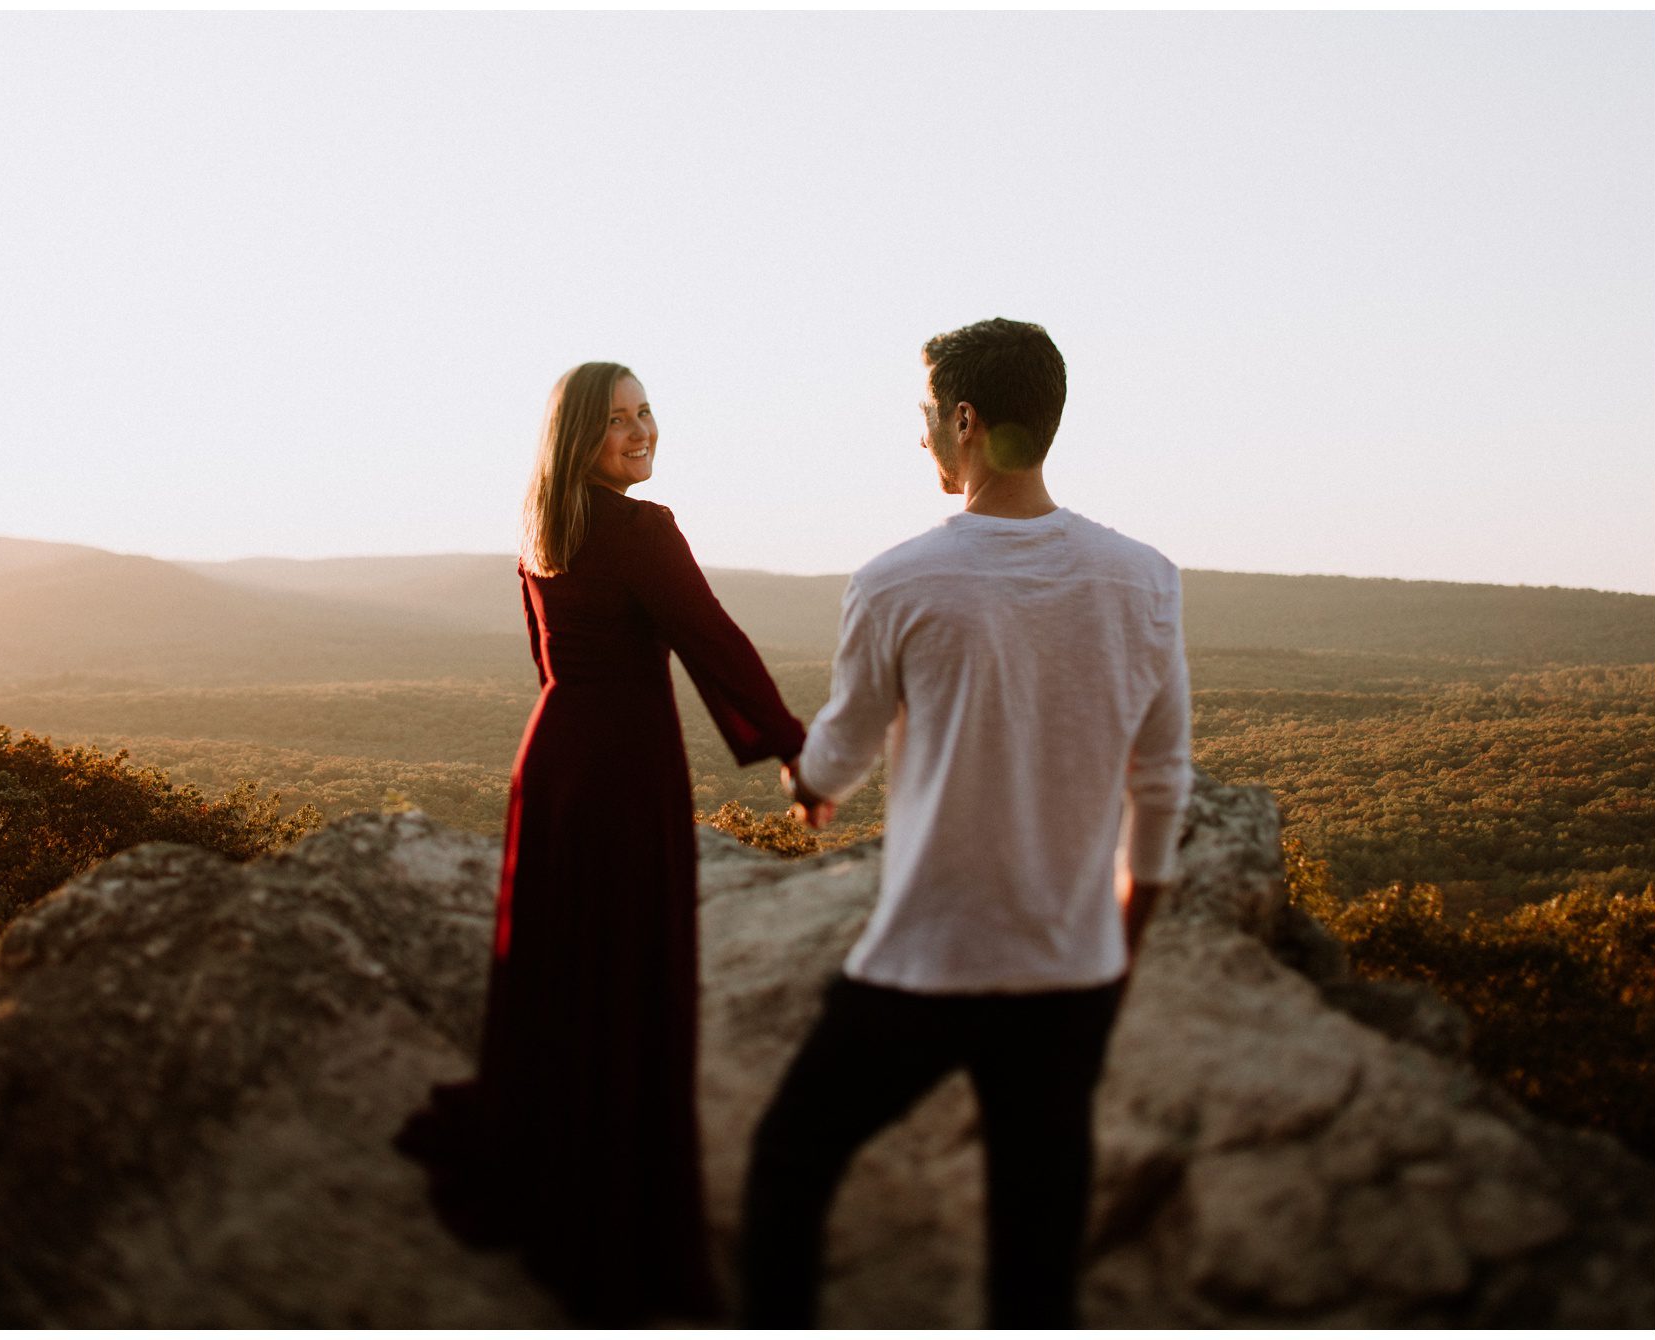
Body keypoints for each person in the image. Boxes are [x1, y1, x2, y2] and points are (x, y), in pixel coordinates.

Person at [737, 318, 1193, 1328]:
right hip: (1067, 971)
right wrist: (1118, 941)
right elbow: (1160, 783)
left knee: (791, 1158)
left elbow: (841, 753)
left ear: (966, 421)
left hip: (927, 958)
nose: (921, 442)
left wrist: (800, 780)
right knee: (1035, 1252)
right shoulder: (1144, 579)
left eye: (925, 419)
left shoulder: (898, 579)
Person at [396, 361, 806, 1324]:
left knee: (557, 970)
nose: (640, 431)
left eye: (646, 412)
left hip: (552, 759)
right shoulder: (640, 530)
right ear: (578, 435)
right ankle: (621, 1211)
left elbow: (548, 661)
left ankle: (544, 1160)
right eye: (618, 420)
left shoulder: (542, 528)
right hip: (623, 769)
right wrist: (792, 747)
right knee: (626, 978)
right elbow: (714, 641)